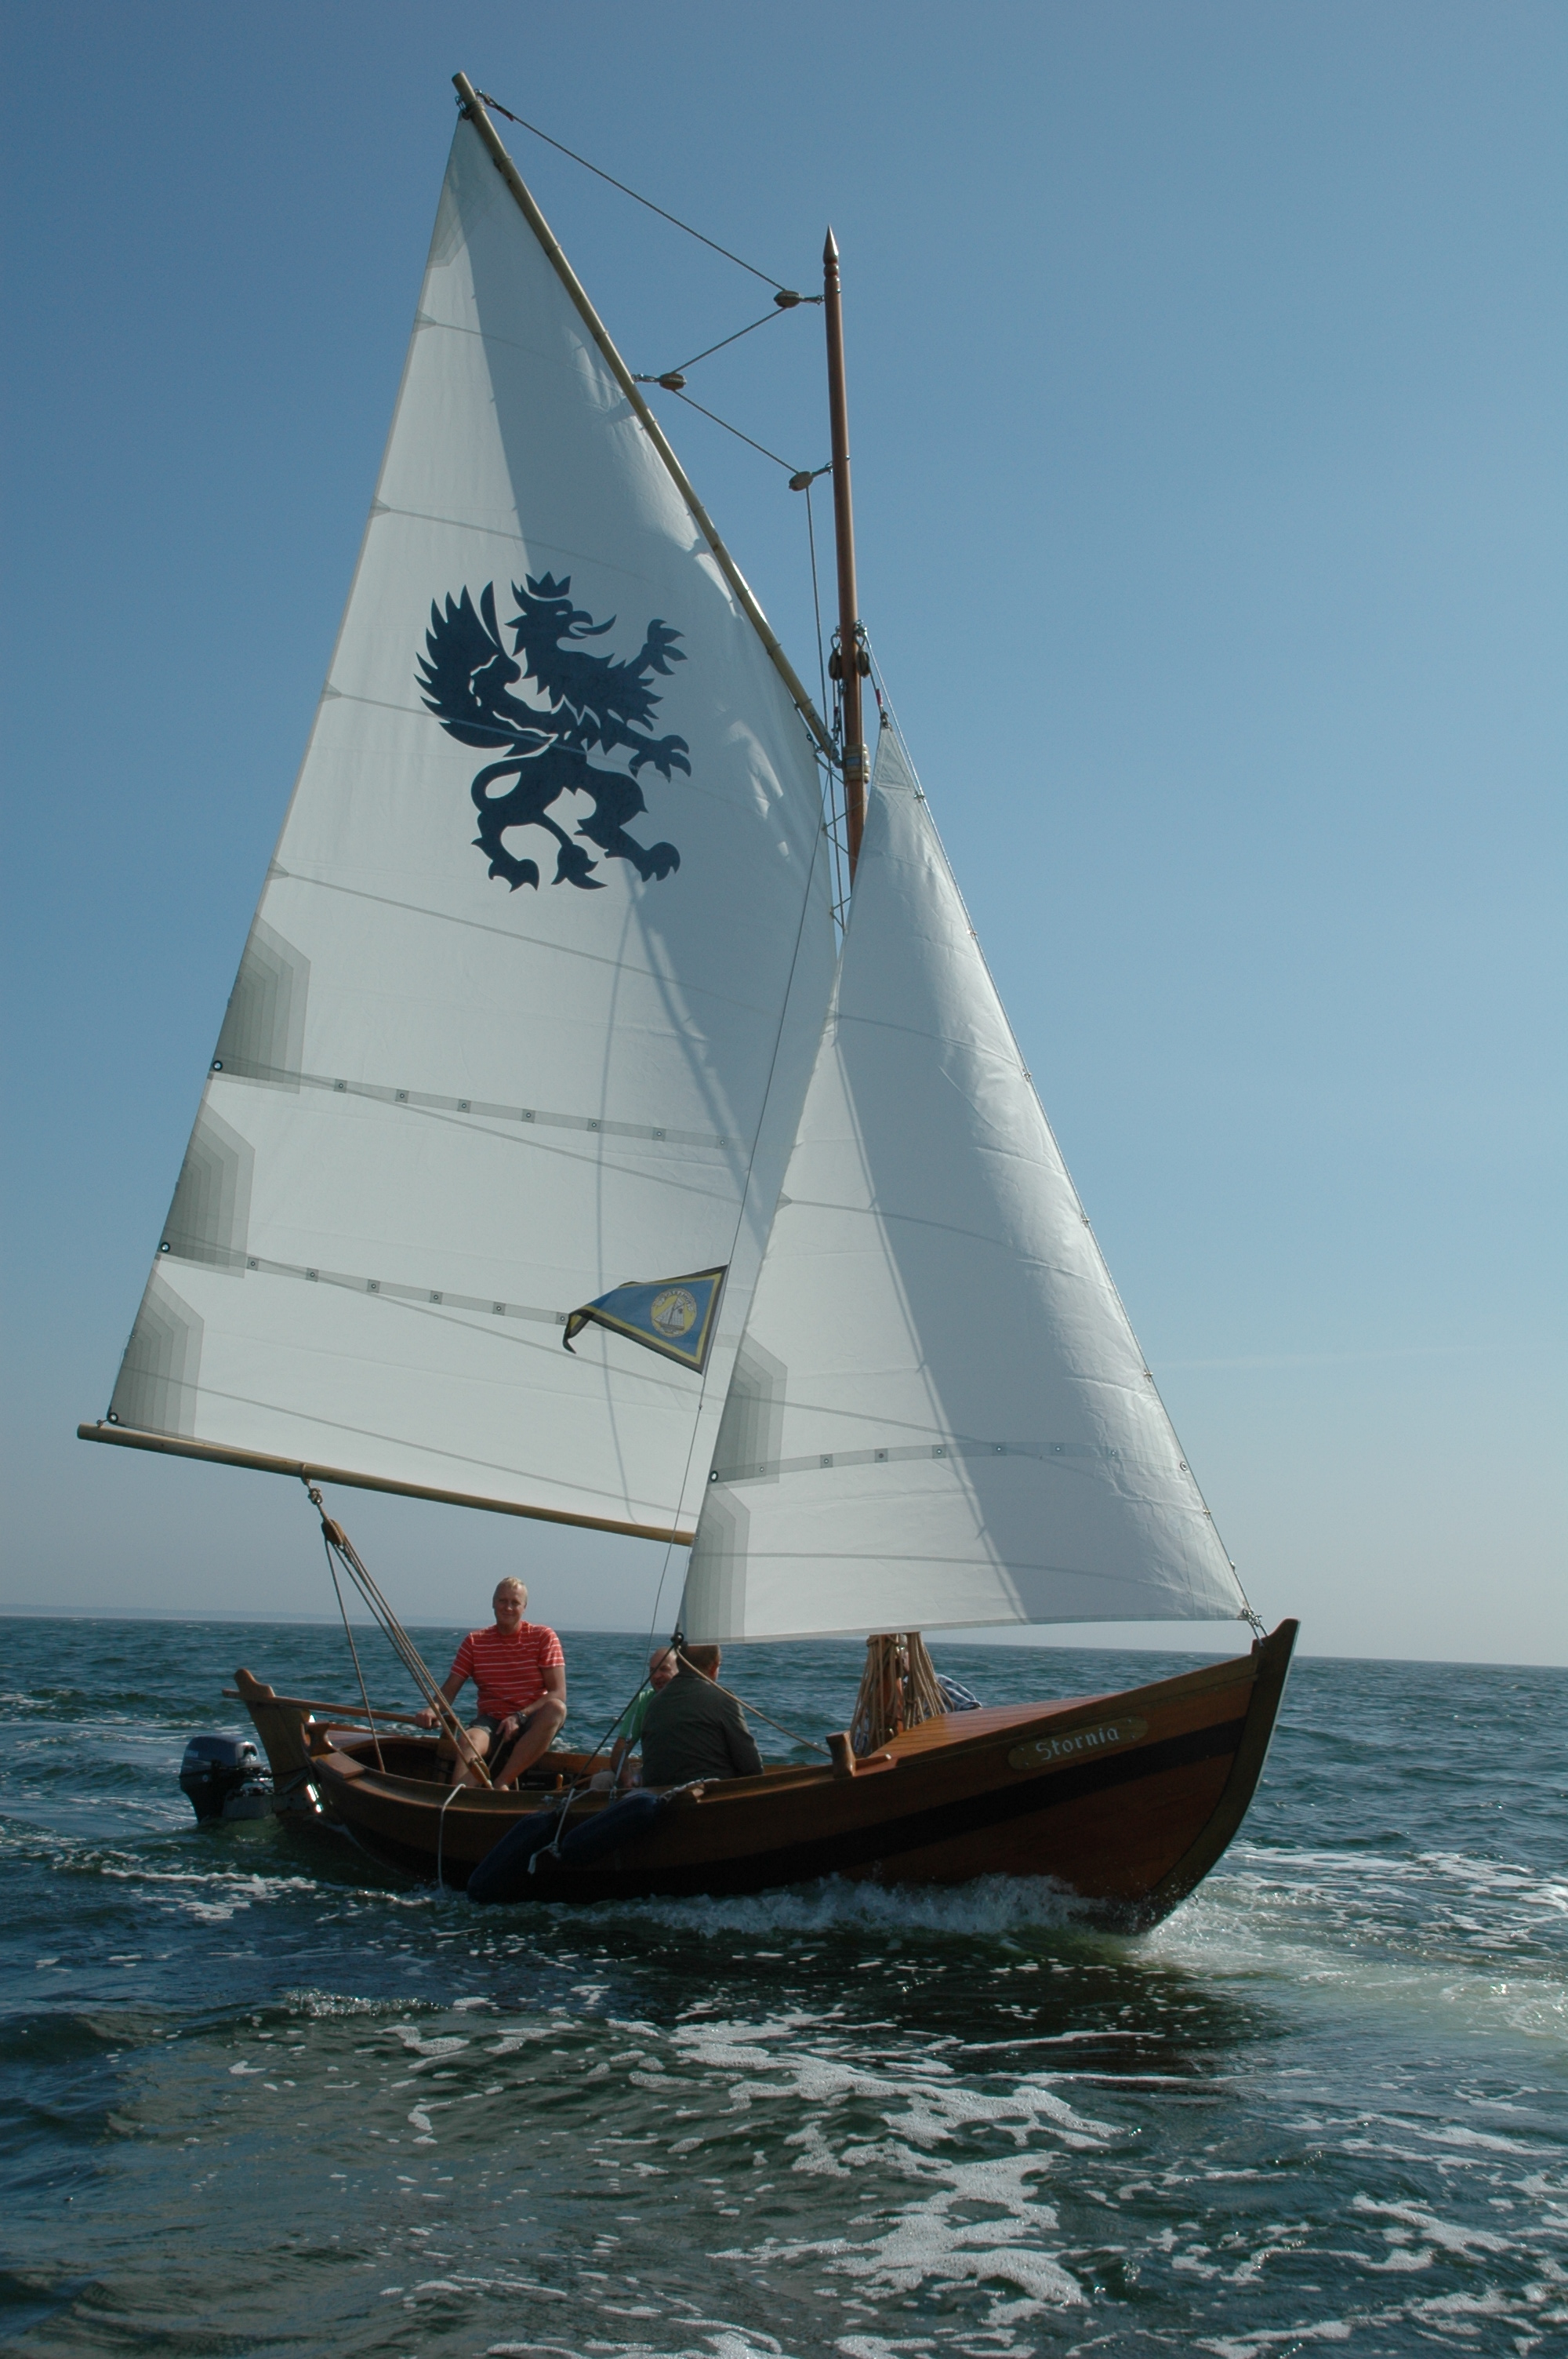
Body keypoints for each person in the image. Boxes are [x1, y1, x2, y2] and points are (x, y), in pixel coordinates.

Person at [416, 1578, 565, 1787]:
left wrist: (519, 1716)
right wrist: (432, 1709)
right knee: (469, 1740)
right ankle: (462, 1799)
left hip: (531, 1719)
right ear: (493, 1603)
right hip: (492, 1721)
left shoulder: (543, 1637)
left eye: (515, 1602)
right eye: (502, 1601)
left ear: (524, 1607)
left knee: (557, 1708)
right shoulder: (474, 1642)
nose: (508, 1607)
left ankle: (502, 1782)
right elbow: (449, 1690)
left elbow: (558, 1692)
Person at [637, 1644, 762, 1788]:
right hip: (710, 1796)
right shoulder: (722, 1699)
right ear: (714, 1667)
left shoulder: (654, 1704)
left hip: (659, 1797)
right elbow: (752, 1767)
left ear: (679, 1664)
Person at [606, 1645, 678, 1789]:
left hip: (682, 1779)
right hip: (650, 1778)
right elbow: (619, 1753)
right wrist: (628, 1778)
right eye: (652, 1671)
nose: (656, 1676)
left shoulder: (694, 1700)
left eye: (664, 1669)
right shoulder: (642, 1701)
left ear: (680, 1672)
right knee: (602, 1780)